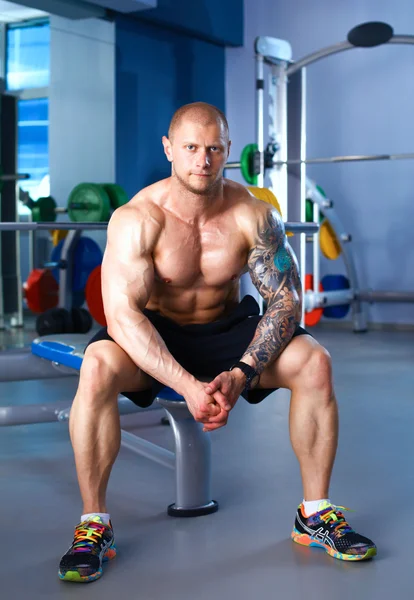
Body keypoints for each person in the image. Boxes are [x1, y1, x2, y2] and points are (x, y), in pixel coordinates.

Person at [58, 102, 376, 583]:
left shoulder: (253, 215)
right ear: (169, 148)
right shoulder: (137, 218)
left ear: (227, 150)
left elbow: (286, 301)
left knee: (315, 362)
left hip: (228, 331)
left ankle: (314, 514)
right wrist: (187, 385)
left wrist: (243, 370)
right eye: (190, 148)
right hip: (155, 335)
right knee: (98, 364)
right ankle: (93, 525)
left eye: (212, 149)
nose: (201, 160)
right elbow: (123, 317)